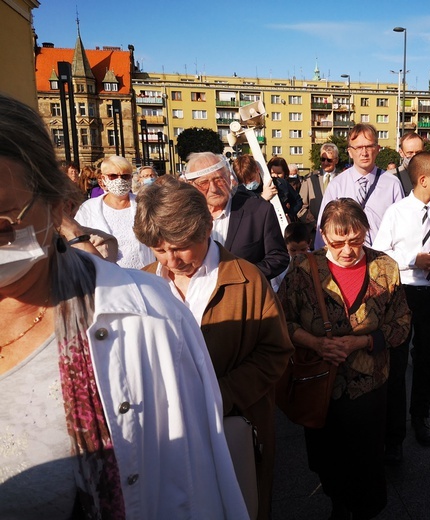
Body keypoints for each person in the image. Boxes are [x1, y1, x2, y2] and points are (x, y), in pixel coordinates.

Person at [0, 92, 249, 519]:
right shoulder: (144, 267)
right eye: (162, 248)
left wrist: (228, 394)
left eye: (4, 223)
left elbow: (192, 482)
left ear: (55, 206)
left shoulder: (151, 315)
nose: (172, 257)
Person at [135, 176, 293, 519]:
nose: (171, 260)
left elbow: (276, 352)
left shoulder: (248, 278)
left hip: (234, 428)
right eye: (160, 249)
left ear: (207, 225)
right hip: (168, 440)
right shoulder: (144, 283)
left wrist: (219, 396)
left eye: (180, 246)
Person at [278, 198, 411, 520]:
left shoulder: (385, 267)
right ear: (322, 235)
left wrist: (363, 341)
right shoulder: (302, 269)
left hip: (369, 384)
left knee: (367, 457)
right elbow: (281, 321)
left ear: (366, 231)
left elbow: (403, 324)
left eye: (355, 240)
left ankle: (365, 509)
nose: (348, 251)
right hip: (320, 382)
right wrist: (316, 343)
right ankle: (337, 502)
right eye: (337, 243)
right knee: (326, 456)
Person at [373, 152, 430, 463]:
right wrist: (413, 259)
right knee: (396, 363)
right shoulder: (397, 212)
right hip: (404, 294)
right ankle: (393, 434)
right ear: (423, 179)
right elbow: (381, 252)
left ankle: (420, 416)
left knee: (428, 360)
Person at [183, 152, 289, 281]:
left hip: (246, 296)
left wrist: (241, 276)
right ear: (191, 186)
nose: (213, 188)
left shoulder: (259, 210)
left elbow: (278, 257)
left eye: (219, 179)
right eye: (204, 182)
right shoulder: (184, 217)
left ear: (229, 177)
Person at [314, 124, 404, 249]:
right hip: (346, 257)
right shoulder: (336, 185)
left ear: (377, 149)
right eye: (358, 147)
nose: (364, 153)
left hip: (382, 258)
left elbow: (401, 227)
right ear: (350, 152)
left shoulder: (392, 184)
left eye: (369, 146)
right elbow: (323, 227)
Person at [74, 155, 155, 269]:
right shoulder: (88, 209)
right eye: (113, 176)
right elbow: (78, 244)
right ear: (103, 178)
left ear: (131, 178)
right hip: (105, 278)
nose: (119, 180)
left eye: (125, 176)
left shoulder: (144, 204)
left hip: (143, 275)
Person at [298, 142, 340, 244]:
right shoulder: (309, 179)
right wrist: (313, 223)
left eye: (329, 160)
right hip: (314, 234)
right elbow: (301, 206)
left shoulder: (343, 178)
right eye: (323, 159)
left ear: (336, 160)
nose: (325, 163)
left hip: (338, 234)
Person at [270, 221, 311, 292]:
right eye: (293, 250)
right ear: (285, 245)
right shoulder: (279, 264)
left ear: (309, 244)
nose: (298, 254)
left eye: (303, 249)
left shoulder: (315, 261)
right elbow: (275, 286)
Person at [387, 132, 426, 196]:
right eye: (410, 153)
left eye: (418, 152)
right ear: (401, 153)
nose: (414, 156)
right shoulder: (391, 176)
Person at [267, 156, 303, 221]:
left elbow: (298, 201)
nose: (275, 176)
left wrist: (290, 215)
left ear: (285, 173)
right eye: (272, 173)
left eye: (279, 173)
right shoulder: (263, 186)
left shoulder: (285, 185)